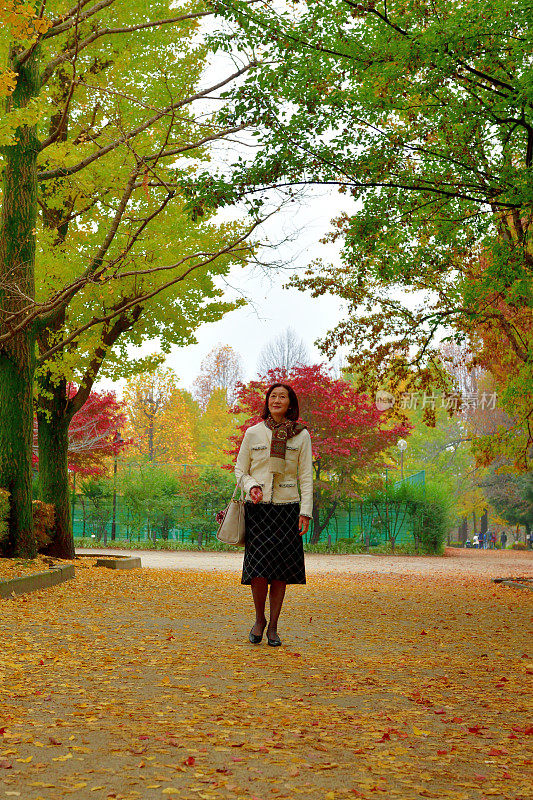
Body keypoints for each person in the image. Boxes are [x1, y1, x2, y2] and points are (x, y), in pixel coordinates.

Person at [235, 383, 313, 647]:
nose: (276, 400)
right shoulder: (253, 433)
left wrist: (306, 512)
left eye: (283, 396)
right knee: (257, 570)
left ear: (290, 404)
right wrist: (251, 486)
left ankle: (275, 627)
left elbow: (306, 476)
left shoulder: (301, 435)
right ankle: (259, 620)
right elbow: (240, 471)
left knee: (279, 572)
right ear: (267, 401)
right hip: (257, 509)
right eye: (272, 396)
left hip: (287, 508)